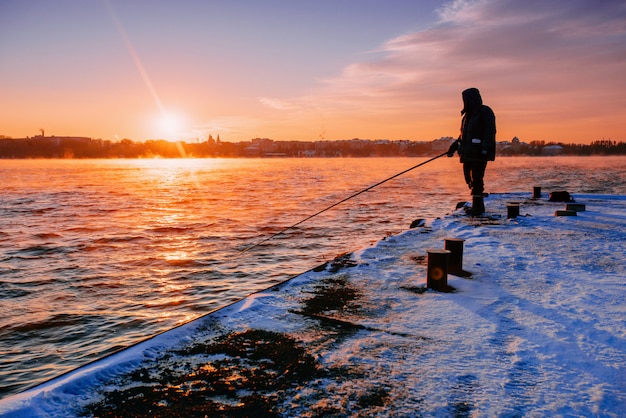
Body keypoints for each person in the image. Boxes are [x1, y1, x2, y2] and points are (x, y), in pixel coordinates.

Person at [447, 87, 496, 215]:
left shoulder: (485, 112)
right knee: (469, 178)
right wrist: (454, 147)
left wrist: (485, 148)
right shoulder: (466, 116)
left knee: (477, 179)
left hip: (479, 153)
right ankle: (476, 203)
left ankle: (478, 207)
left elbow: (489, 131)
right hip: (467, 153)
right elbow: (462, 136)